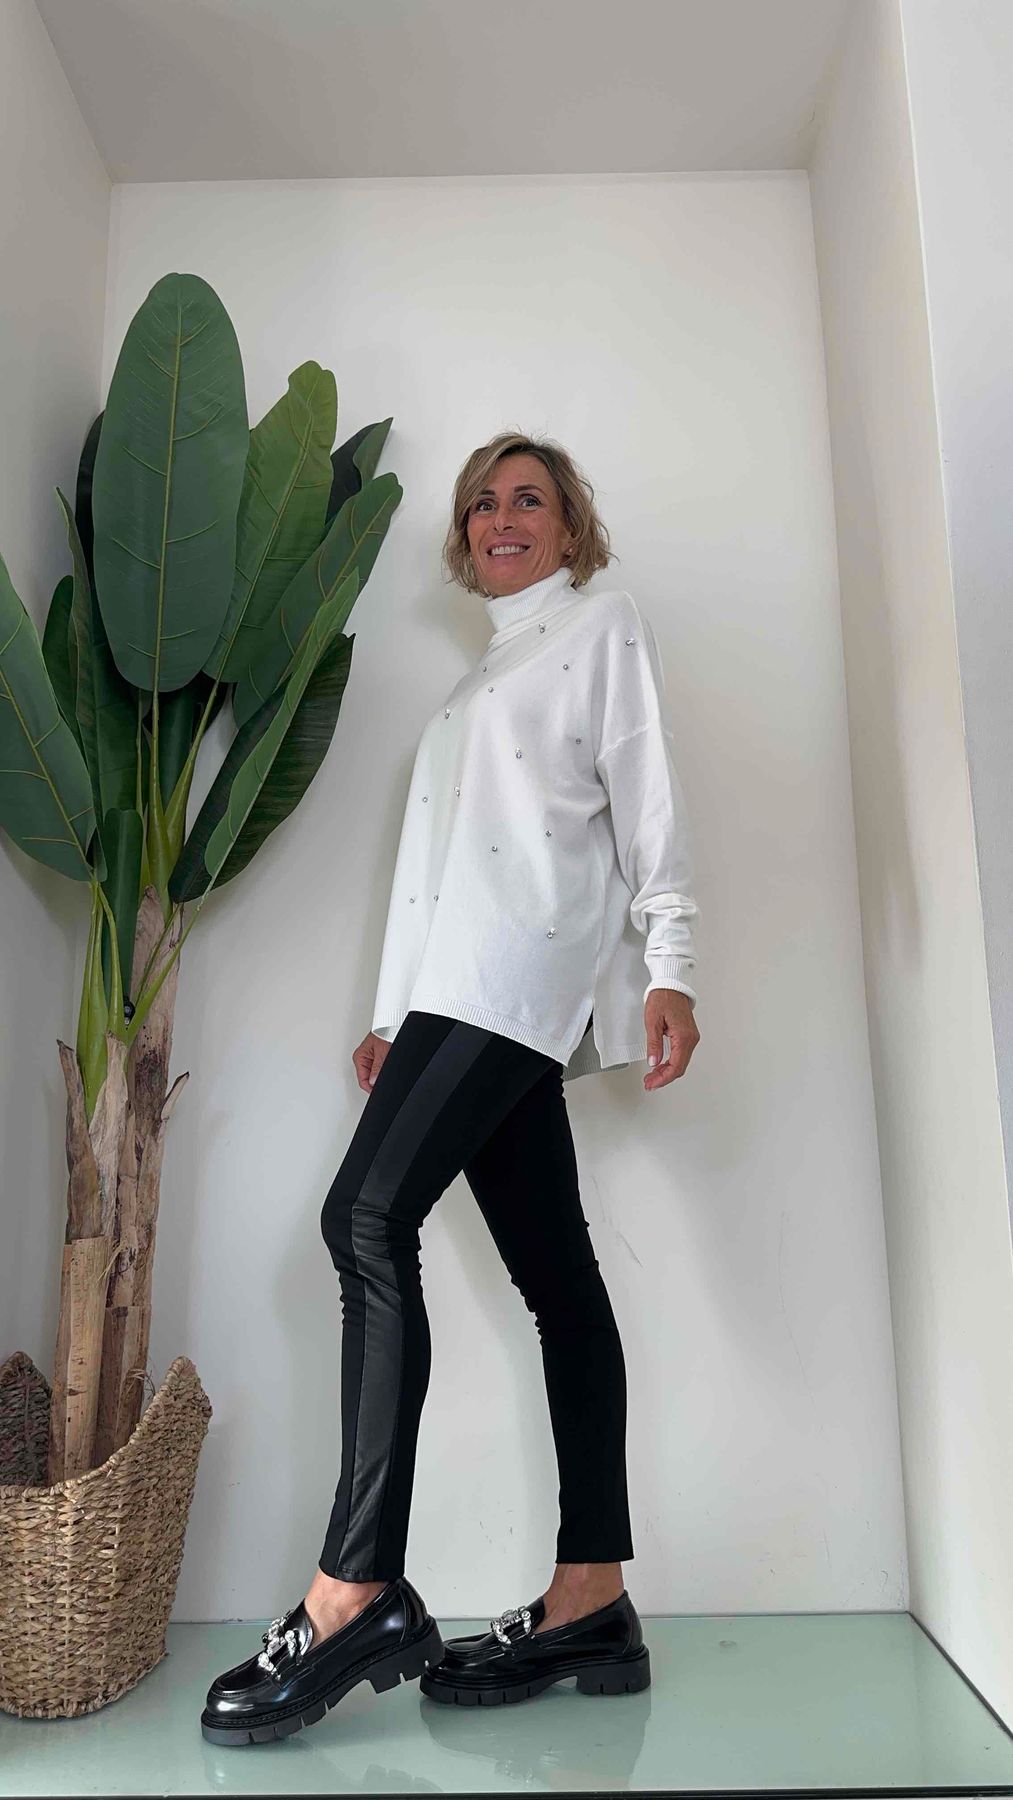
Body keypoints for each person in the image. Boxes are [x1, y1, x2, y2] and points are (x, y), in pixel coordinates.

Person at [201, 431, 701, 1745]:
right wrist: (390, 1015)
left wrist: (671, 964)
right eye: (483, 503)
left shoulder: (601, 628)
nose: (501, 517)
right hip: (457, 996)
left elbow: (647, 796)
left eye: (528, 498)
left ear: (570, 525)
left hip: (517, 979)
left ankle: (355, 1588)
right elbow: (435, 867)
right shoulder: (475, 685)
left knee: (362, 1220)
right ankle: (592, 1599)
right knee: (558, 1286)